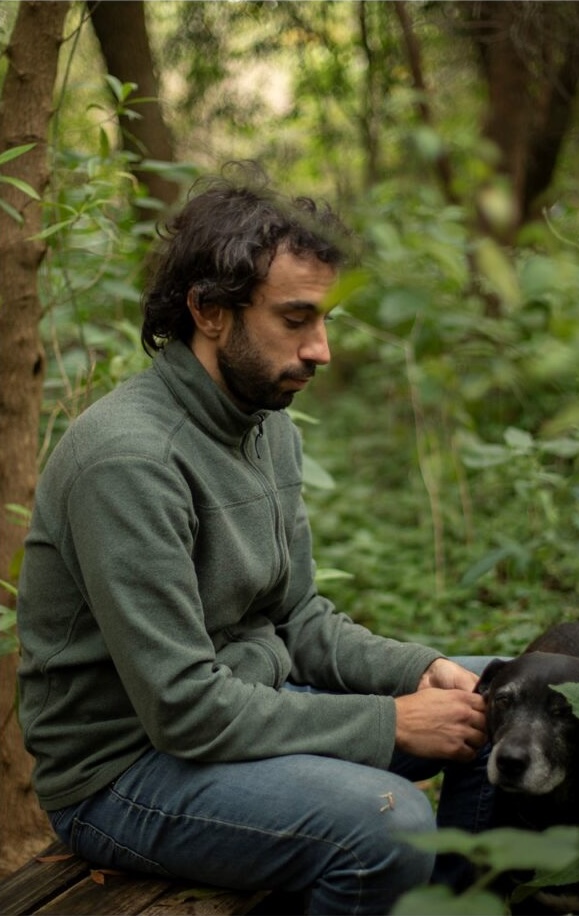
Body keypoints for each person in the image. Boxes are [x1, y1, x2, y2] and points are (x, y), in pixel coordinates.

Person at [17, 165, 490, 915]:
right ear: (209, 311)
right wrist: (388, 721)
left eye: (325, 320)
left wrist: (421, 668)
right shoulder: (130, 460)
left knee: (507, 695)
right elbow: (185, 710)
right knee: (389, 826)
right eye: (296, 320)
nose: (321, 349)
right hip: (124, 775)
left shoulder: (263, 423)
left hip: (248, 704)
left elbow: (296, 618)